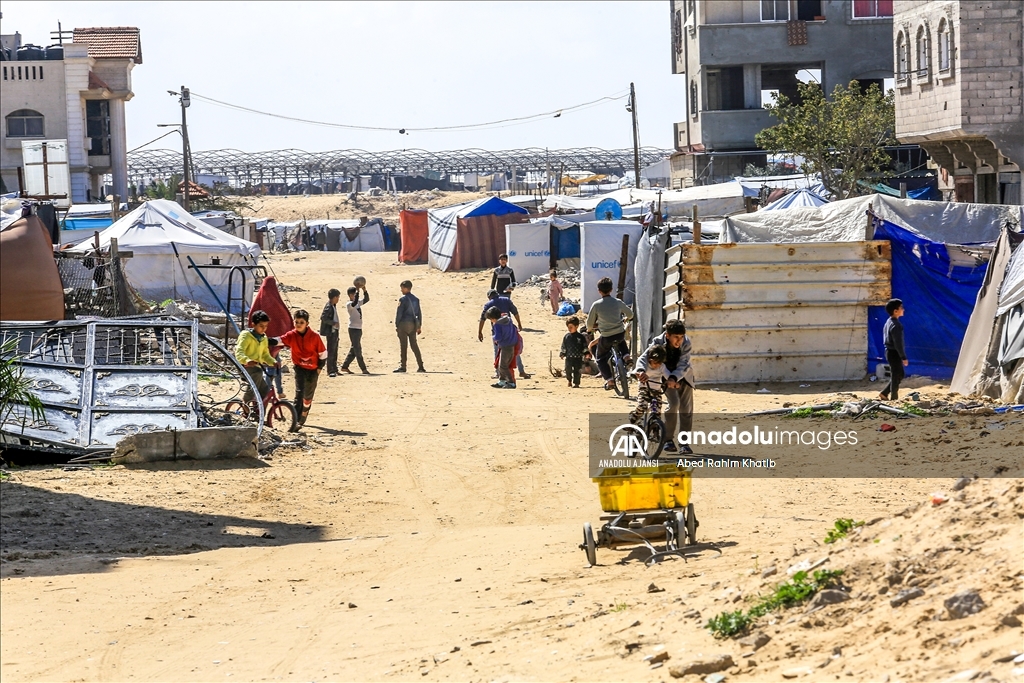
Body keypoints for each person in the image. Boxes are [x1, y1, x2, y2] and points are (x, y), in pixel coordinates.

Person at [638, 319, 695, 455]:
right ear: (667, 335)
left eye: (681, 337)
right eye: (676, 337)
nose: (679, 341)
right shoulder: (657, 342)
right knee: (674, 404)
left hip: (683, 376)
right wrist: (640, 370)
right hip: (666, 376)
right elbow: (644, 357)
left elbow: (684, 363)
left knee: (686, 409)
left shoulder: (686, 342)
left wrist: (674, 378)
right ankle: (668, 439)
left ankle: (684, 443)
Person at [276, 309, 327, 428]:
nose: (298, 324)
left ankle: (303, 415)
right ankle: (295, 421)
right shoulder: (292, 335)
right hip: (299, 368)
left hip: (313, 370)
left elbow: (323, 354)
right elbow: (279, 340)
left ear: (307, 324)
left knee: (307, 397)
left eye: (301, 322)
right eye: (296, 322)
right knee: (299, 393)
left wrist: (319, 368)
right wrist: (263, 339)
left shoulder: (314, 337)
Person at [586, 276, 634, 391]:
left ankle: (610, 380)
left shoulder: (596, 305)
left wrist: (590, 329)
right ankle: (627, 357)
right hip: (619, 333)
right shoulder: (618, 302)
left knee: (600, 358)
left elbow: (589, 324)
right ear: (611, 289)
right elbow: (630, 314)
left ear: (599, 291)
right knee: (621, 341)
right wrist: (626, 319)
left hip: (606, 336)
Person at [477, 289, 530, 379]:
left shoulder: (488, 304)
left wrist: (480, 332)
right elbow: (515, 312)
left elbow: (483, 319)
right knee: (515, 351)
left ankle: (498, 373)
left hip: (497, 332)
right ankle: (521, 371)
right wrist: (519, 323)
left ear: (489, 297)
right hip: (510, 330)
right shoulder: (506, 300)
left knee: (497, 352)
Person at [235, 310, 277, 405]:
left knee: (265, 392)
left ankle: (259, 412)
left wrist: (273, 362)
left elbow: (265, 354)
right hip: (244, 366)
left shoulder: (263, 338)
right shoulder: (246, 335)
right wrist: (247, 360)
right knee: (258, 373)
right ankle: (245, 401)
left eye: (266, 326)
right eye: (261, 326)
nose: (264, 329)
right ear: (253, 325)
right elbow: (239, 352)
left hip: (257, 367)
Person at [630, 344, 669, 425]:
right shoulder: (644, 365)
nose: (657, 365)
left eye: (659, 363)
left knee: (657, 411)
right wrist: (639, 374)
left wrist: (672, 381)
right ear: (649, 359)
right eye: (655, 363)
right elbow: (638, 370)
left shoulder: (662, 367)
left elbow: (668, 375)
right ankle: (634, 417)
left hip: (657, 391)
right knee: (642, 406)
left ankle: (656, 428)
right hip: (644, 388)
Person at [879, 298, 908, 402]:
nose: (903, 310)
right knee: (896, 375)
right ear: (895, 311)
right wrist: (903, 357)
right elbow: (898, 343)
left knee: (899, 374)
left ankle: (884, 393)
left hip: (890, 352)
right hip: (894, 352)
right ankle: (894, 398)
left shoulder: (889, 322)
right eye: (901, 308)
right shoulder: (896, 325)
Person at [394, 279, 424, 373]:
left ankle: (403, 366)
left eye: (402, 288)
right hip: (413, 325)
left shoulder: (403, 299)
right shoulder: (416, 299)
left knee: (403, 346)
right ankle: (420, 366)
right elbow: (419, 313)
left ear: (406, 288)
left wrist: (397, 324)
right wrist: (419, 326)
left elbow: (399, 313)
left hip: (403, 324)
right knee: (414, 345)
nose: (401, 290)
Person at [487, 306, 521, 389]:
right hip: (512, 344)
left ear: (493, 318)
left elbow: (498, 337)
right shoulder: (508, 320)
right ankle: (502, 381)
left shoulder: (497, 325)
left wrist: (494, 338)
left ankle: (511, 382)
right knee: (502, 364)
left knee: (503, 366)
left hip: (505, 347)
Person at [341, 284, 370, 374]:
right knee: (357, 349)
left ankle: (345, 366)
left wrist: (364, 290)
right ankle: (363, 368)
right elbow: (354, 302)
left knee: (354, 349)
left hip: (358, 328)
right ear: (350, 295)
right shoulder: (349, 304)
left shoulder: (357, 303)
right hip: (353, 329)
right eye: (354, 294)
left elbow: (366, 299)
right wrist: (358, 291)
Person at [559, 316, 588, 388]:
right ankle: (569, 380)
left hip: (578, 358)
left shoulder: (580, 337)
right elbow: (564, 346)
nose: (569, 329)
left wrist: (586, 353)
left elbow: (584, 346)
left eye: (571, 327)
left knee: (577, 371)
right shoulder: (567, 337)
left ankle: (576, 383)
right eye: (568, 327)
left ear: (576, 326)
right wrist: (562, 353)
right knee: (568, 369)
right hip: (569, 357)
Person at [319, 288, 342, 377]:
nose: (338, 299)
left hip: (334, 331)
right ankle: (330, 370)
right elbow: (323, 317)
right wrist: (333, 323)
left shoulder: (332, 305)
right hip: (331, 331)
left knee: (335, 350)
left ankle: (334, 369)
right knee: (331, 351)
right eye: (338, 297)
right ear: (334, 297)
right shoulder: (329, 307)